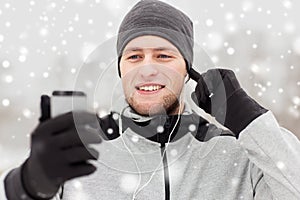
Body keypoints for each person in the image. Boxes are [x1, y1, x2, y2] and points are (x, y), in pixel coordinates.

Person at [1, 0, 300, 199]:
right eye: (134, 57)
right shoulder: (83, 150)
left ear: (187, 71)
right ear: (121, 71)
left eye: (163, 55)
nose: (147, 68)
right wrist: (29, 181)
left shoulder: (237, 153)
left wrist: (252, 121)